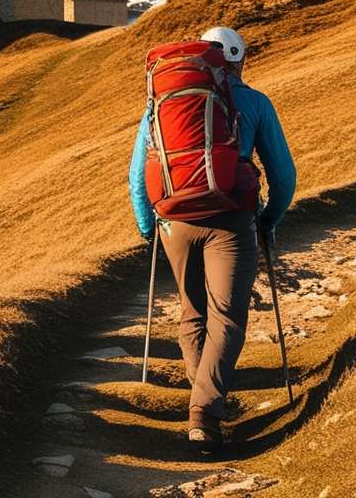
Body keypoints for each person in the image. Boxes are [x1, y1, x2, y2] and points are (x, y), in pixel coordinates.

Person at [127, 26, 297, 454]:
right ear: (238, 61)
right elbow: (283, 175)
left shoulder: (161, 102)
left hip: (173, 219)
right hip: (231, 217)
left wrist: (151, 227)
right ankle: (204, 412)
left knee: (193, 311)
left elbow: (137, 175)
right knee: (228, 316)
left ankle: (202, 395)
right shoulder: (256, 102)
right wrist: (269, 220)